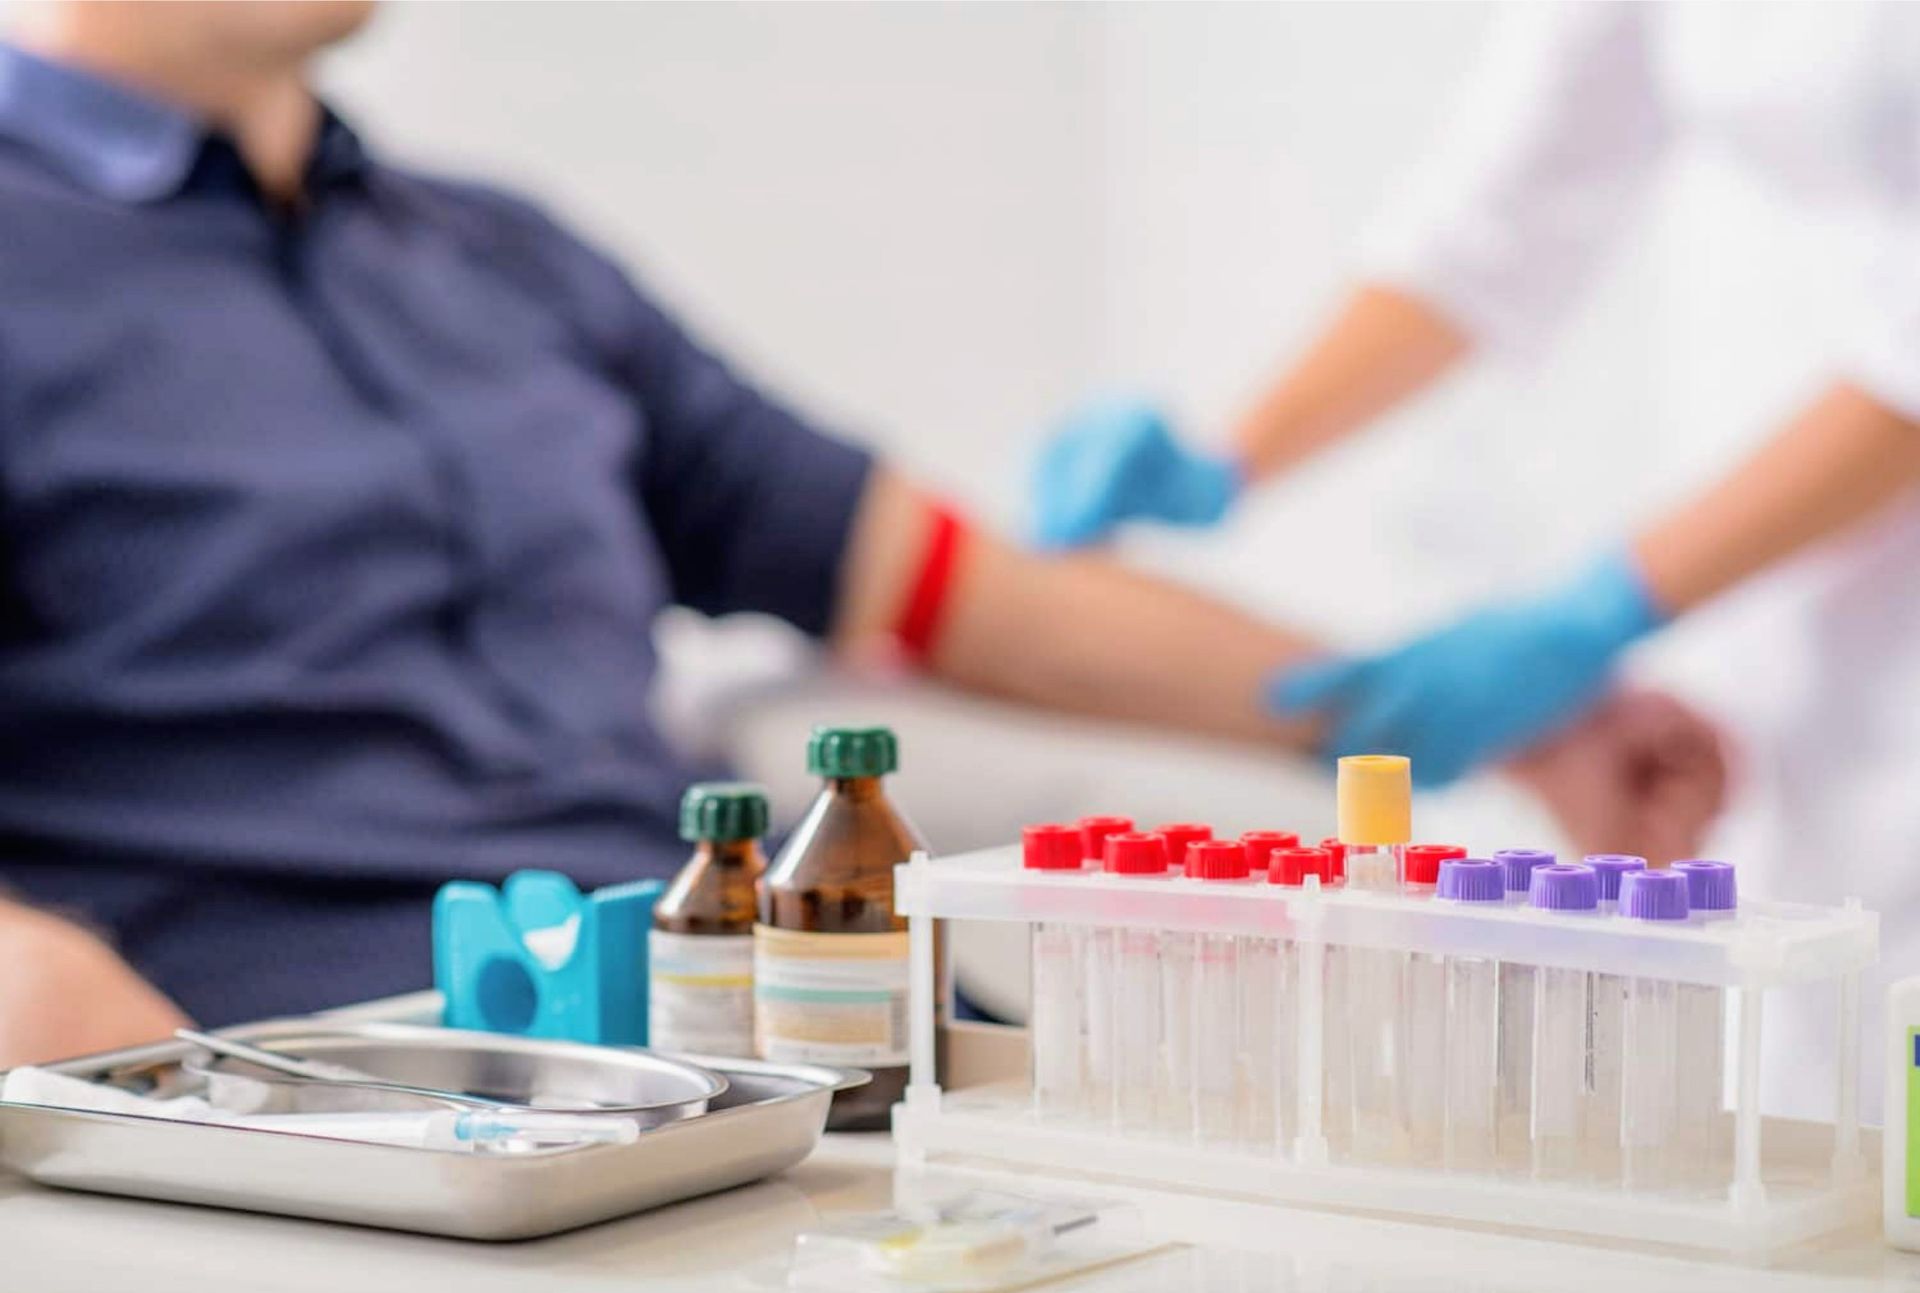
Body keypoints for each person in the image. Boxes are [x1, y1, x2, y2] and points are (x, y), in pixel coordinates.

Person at [0, 2, 1721, 1068]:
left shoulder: (505, 263)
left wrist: (1484, 710)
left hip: (744, 1052)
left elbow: (961, 590)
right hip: (305, 1075)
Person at [1033, 3, 1920, 1116]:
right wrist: (1230, 459)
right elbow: (1499, 212)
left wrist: (1604, 605)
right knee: (1816, 1118)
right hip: (1774, 623)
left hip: (1816, 566)